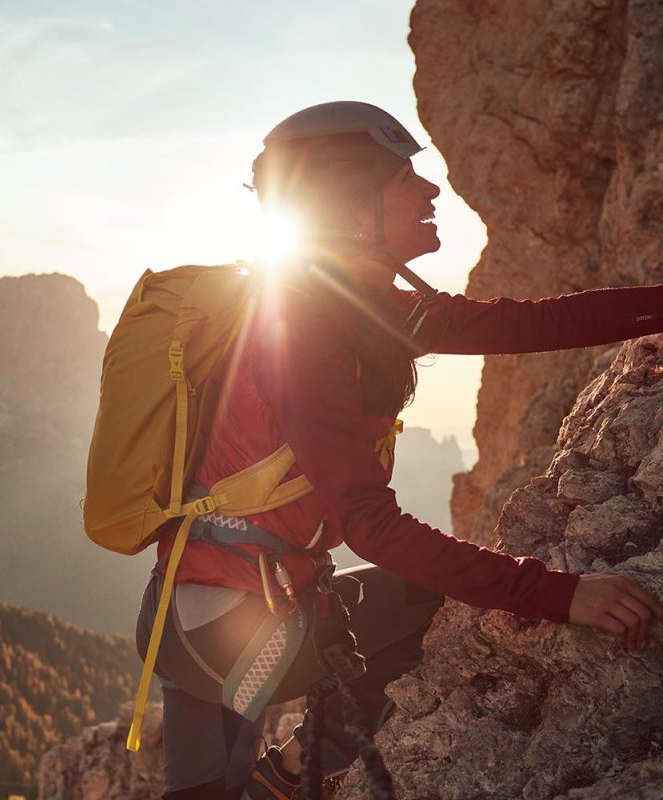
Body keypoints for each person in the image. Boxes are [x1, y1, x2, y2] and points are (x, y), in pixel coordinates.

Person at [135, 101, 663, 800]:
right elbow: (373, 527)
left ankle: (293, 771)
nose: (432, 190)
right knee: (433, 601)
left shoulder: (363, 307)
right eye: (405, 178)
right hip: (226, 628)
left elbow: (540, 322)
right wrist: (563, 595)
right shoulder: (301, 331)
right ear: (352, 211)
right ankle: (293, 774)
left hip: (214, 606)